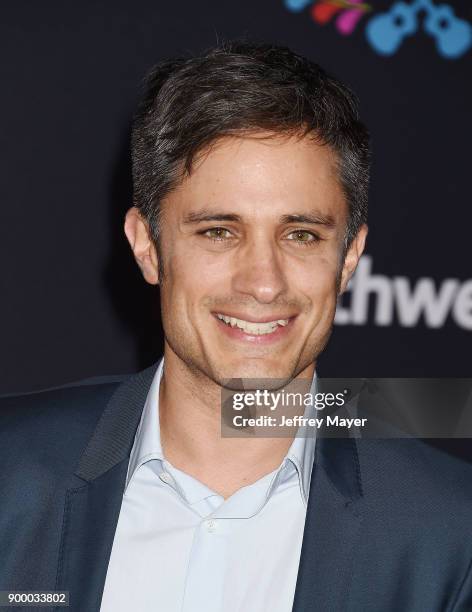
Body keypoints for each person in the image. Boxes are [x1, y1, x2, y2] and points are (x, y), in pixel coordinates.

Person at [1, 40, 471, 612]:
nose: (264, 283)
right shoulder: (11, 476)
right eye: (218, 231)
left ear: (349, 259)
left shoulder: (450, 536)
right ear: (147, 247)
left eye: (302, 235)